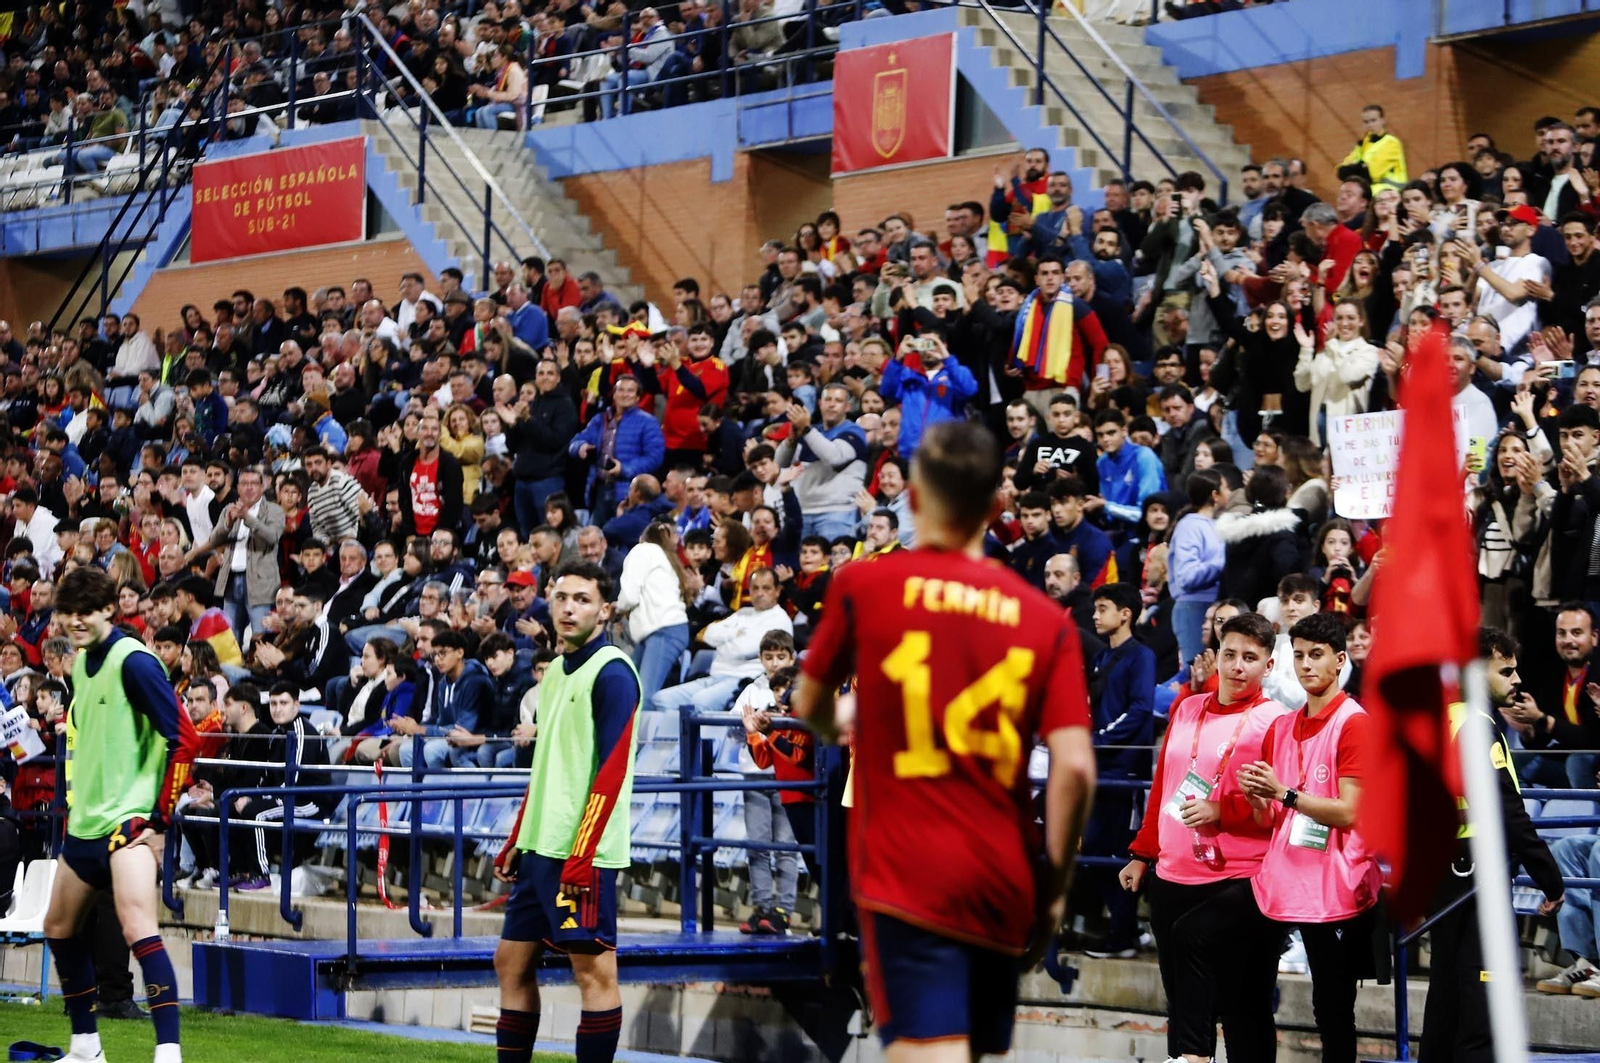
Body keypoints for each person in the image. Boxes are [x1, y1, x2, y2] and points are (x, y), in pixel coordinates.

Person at [793, 420, 1097, 1061]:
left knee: (926, 1051)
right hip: (1004, 872)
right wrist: (1056, 889)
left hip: (909, 869)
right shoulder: (1047, 620)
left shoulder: (864, 585)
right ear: (997, 507)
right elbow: (1074, 768)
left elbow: (808, 701)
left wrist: (837, 722)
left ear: (913, 499)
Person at [41, 565, 200, 1063]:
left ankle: (168, 1054)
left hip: (127, 823)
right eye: (67, 613)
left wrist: (158, 818)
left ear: (109, 608)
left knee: (138, 930)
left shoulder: (135, 662)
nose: (75, 621)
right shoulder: (82, 663)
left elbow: (185, 739)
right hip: (85, 824)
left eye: (84, 612)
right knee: (58, 928)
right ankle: (86, 1047)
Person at [1119, 612, 1291, 1063]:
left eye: (1250, 658)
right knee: (1184, 1004)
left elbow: (1278, 809)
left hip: (1239, 878)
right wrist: (1142, 853)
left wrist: (1222, 810)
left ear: (1268, 667)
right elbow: (1164, 784)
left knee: (1244, 1005)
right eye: (1230, 654)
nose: (1237, 666)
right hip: (1173, 874)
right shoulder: (1188, 707)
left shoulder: (1276, 721)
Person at [491, 561, 643, 1063]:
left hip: (581, 851)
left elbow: (611, 770)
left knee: (593, 974)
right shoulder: (555, 670)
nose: (569, 608)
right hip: (541, 845)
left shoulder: (614, 672)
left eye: (582, 598)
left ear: (605, 609)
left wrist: (582, 854)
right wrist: (518, 835)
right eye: (561, 598)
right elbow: (550, 763)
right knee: (510, 963)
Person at [1238, 613, 1382, 1063]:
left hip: (1335, 886)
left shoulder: (1355, 723)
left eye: (1315, 655)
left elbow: (1350, 810)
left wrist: (1282, 793)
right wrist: (1259, 797)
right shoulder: (1281, 725)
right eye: (1297, 656)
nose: (1305, 665)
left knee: (1332, 1008)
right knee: (1244, 989)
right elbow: (1269, 819)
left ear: (1340, 660)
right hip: (1282, 880)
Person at [1419, 627, 1565, 1063]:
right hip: (1473, 876)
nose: (1516, 679)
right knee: (1480, 1002)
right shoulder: (1475, 724)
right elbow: (1505, 810)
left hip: (1445, 874)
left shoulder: (1441, 717)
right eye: (1506, 670)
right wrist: (1549, 877)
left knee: (1446, 996)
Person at [1084, 582, 1155, 959]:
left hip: (1125, 772)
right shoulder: (1100, 659)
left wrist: (1098, 740)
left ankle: (1124, 934)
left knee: (1118, 852)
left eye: (1103, 608)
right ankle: (1117, 928)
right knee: (1095, 850)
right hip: (1099, 770)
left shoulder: (1140, 656)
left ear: (1125, 613)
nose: (1095, 615)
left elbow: (1141, 709)